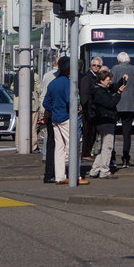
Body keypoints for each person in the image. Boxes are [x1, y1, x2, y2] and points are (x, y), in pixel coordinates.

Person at [42, 57, 89, 185]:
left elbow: (46, 102)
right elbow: (70, 100)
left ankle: (59, 176)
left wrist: (54, 109)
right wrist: (76, 107)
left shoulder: (53, 83)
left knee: (59, 148)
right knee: (73, 146)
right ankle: (76, 176)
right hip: (67, 117)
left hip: (55, 118)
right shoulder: (68, 83)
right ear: (68, 69)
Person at [110, 52, 134, 167]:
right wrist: (132, 94)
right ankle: (126, 158)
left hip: (116, 104)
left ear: (118, 61)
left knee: (112, 132)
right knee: (127, 133)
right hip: (130, 105)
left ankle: (112, 157)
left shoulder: (115, 68)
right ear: (129, 60)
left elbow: (111, 85)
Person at [87, 68, 122, 179]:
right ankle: (104, 171)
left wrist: (122, 80)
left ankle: (94, 170)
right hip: (106, 120)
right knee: (107, 147)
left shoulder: (99, 89)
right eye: (108, 80)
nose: (109, 82)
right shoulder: (100, 92)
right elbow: (110, 103)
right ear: (101, 80)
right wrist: (118, 94)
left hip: (102, 121)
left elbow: (113, 87)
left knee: (103, 147)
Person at [78, 55, 102, 159]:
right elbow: (84, 94)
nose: (96, 67)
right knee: (88, 132)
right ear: (90, 66)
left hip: (95, 109)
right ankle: (85, 153)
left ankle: (87, 152)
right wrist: (86, 108)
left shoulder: (98, 77)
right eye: (94, 65)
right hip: (88, 110)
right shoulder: (87, 77)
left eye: (98, 65)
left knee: (93, 132)